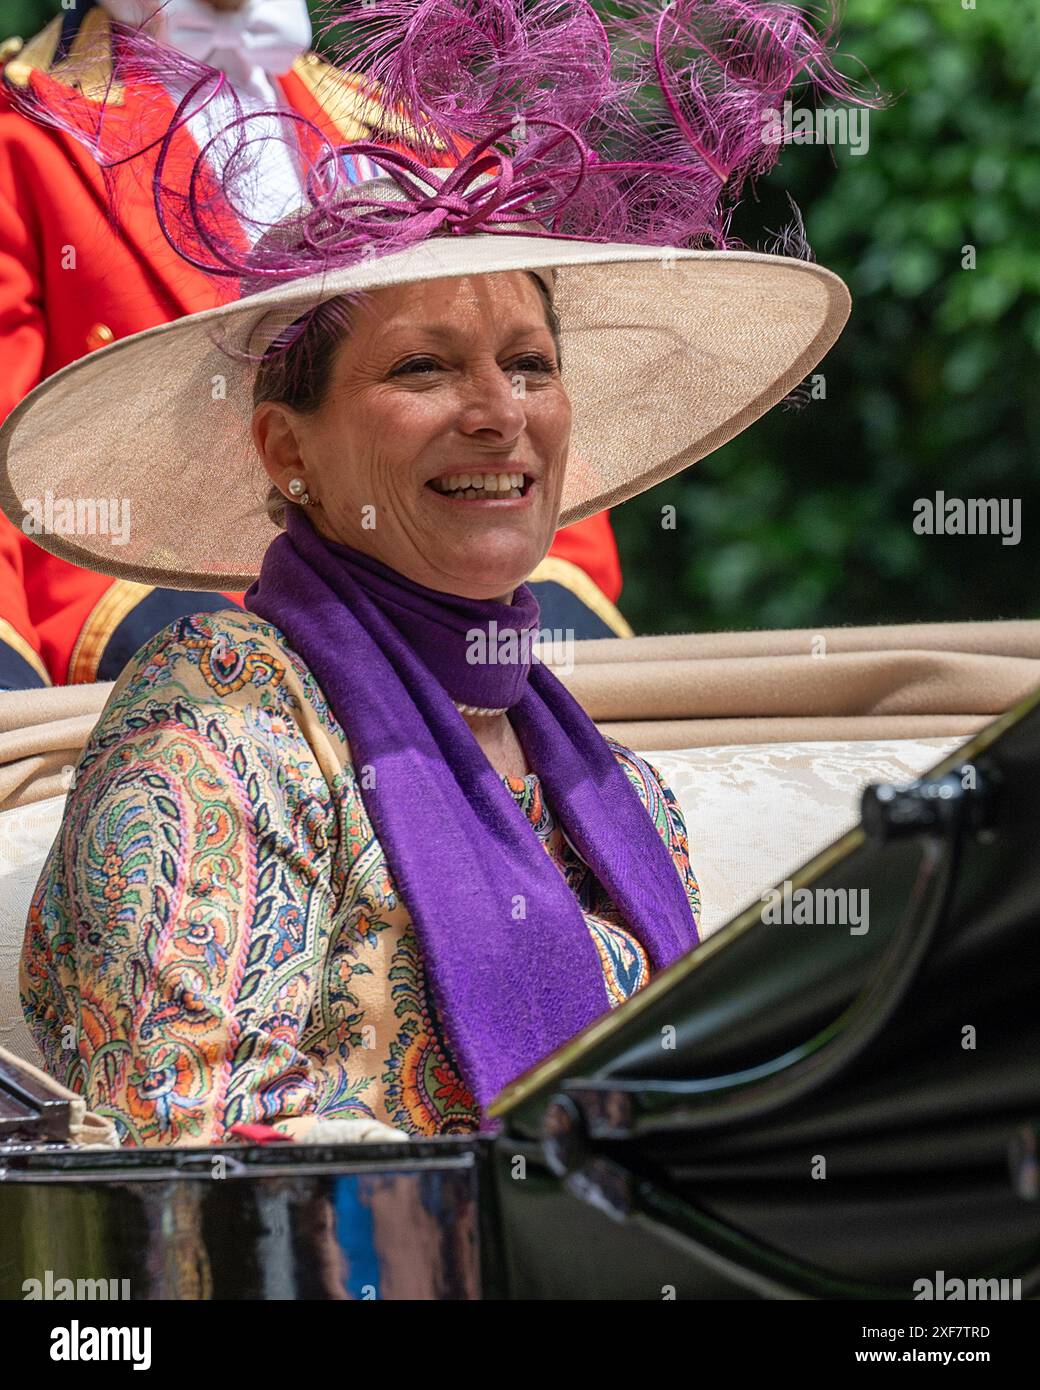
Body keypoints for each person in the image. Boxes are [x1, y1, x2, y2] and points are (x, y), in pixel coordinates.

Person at [4, 0, 869, 1144]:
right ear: (284, 449)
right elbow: (193, 1192)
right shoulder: (207, 742)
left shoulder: (621, 790)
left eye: (529, 365)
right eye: (422, 367)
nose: (499, 415)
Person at [0, 0, 625, 692]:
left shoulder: (414, 134)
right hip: (161, 647)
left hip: (455, 637)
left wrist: (560, 614)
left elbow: (523, 394)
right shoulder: (21, 133)